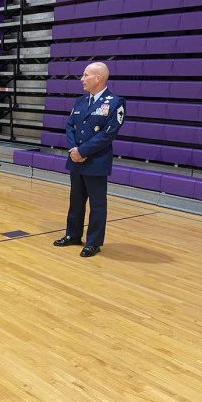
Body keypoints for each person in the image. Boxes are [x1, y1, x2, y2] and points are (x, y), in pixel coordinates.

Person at [53, 62, 126, 257]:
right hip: (76, 159)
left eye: (86, 75)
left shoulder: (115, 102)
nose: (82, 79)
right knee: (75, 200)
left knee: (97, 204)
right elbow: (70, 126)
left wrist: (83, 151)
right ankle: (73, 235)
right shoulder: (80, 101)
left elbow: (107, 134)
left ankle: (93, 241)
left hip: (96, 161)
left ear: (98, 78)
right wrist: (73, 150)